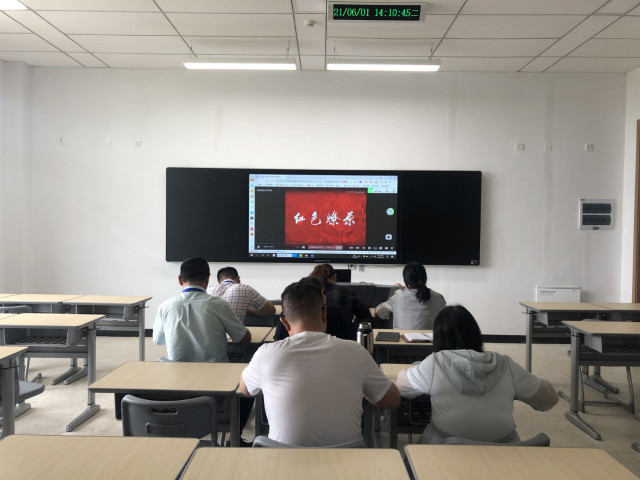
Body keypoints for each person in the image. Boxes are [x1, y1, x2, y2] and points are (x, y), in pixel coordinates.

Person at [239, 277, 401, 447]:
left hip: (282, 459)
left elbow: (245, 389)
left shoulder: (265, 354)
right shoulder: (355, 352)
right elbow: (392, 400)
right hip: (347, 459)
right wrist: (361, 386)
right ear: (324, 314)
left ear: (284, 323)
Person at [396, 305, 559, 444]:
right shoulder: (506, 364)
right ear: (475, 333)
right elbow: (550, 399)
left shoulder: (435, 363)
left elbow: (402, 387)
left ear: (439, 337)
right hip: (505, 456)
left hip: (447, 451)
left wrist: (417, 370)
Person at [153, 258, 251, 362]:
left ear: (180, 280)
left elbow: (158, 340)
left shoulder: (164, 306)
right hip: (215, 370)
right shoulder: (220, 305)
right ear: (208, 278)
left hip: (177, 370)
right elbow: (244, 339)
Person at [375, 261, 446, 330]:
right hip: (432, 338)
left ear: (406, 282)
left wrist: (401, 288)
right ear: (425, 279)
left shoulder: (398, 296)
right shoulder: (439, 298)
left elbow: (378, 313)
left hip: (403, 338)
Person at [309, 263, 372, 339]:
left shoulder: (306, 294)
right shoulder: (346, 292)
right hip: (344, 339)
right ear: (334, 277)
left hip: (314, 340)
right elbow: (365, 316)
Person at [207, 266, 276, 324]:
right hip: (234, 335)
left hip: (209, 334)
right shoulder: (245, 289)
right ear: (238, 279)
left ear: (219, 283)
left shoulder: (208, 290)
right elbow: (271, 310)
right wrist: (249, 308)